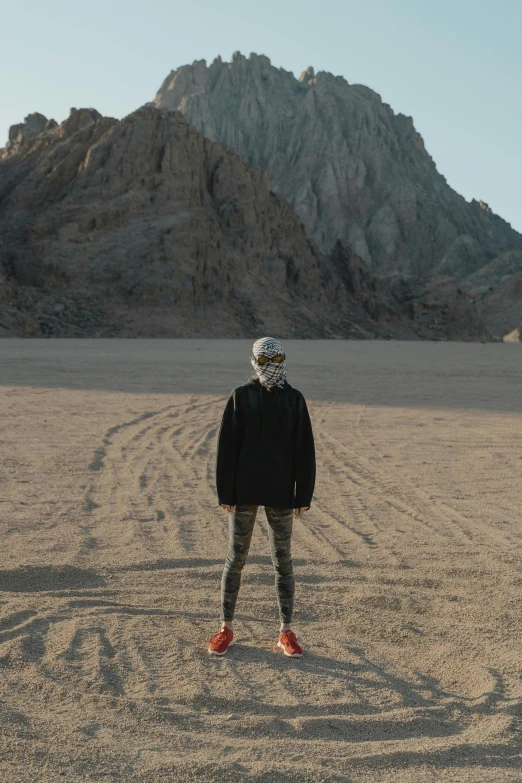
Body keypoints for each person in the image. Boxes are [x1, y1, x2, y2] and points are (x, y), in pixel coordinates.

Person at [208, 336, 316, 657]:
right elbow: (226, 446)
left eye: (278, 361)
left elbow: (304, 449)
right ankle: (225, 627)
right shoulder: (241, 397)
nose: (272, 367)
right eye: (266, 362)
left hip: (281, 492)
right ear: (255, 362)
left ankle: (286, 631)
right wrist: (225, 491)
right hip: (243, 492)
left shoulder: (294, 399)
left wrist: (303, 493)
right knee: (235, 558)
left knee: (282, 561)